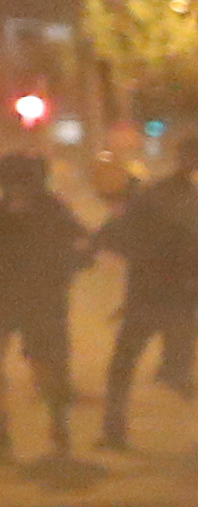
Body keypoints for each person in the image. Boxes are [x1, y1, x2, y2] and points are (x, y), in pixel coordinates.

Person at [94, 172, 198, 455]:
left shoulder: (135, 222)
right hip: (169, 305)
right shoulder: (166, 223)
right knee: (173, 373)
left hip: (155, 305)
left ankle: (117, 433)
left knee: (125, 371)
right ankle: (197, 433)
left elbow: (100, 242)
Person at [0, 154, 86, 462]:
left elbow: (80, 250)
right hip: (22, 301)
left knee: (50, 371)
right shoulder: (52, 211)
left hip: (37, 302)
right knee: (49, 369)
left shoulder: (52, 212)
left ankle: (58, 435)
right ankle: (50, 436)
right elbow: (82, 250)